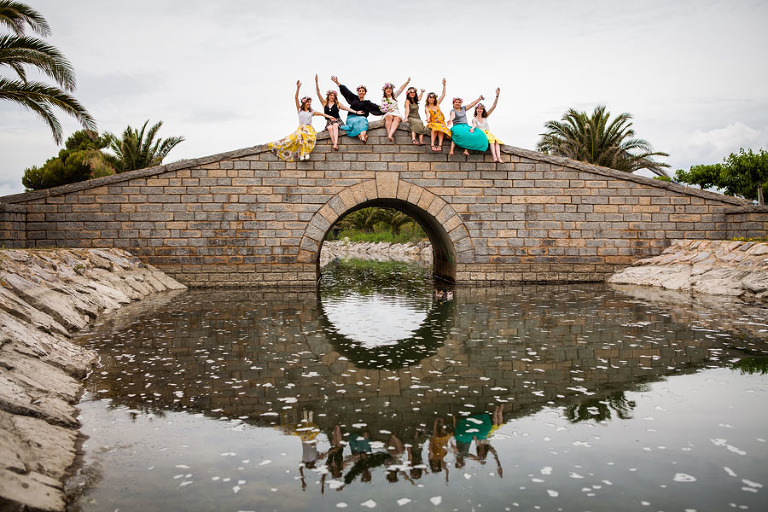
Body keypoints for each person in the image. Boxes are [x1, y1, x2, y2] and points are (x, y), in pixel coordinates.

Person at [268, 80, 334, 162]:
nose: (309, 104)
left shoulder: (311, 111)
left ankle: (306, 153)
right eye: (308, 102)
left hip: (309, 128)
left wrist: (329, 116)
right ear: (305, 103)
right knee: (299, 135)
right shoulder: (300, 110)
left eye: (310, 102)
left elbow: (321, 114)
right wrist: (298, 88)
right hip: (301, 127)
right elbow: (296, 98)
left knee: (306, 136)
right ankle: (302, 154)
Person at [331, 75, 385, 143]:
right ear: (358, 92)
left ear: (365, 93)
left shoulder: (367, 103)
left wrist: (386, 109)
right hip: (351, 118)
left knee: (363, 121)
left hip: (362, 118)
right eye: (360, 91)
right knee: (356, 123)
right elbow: (346, 91)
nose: (361, 92)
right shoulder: (354, 98)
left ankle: (361, 136)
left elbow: (376, 108)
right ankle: (362, 137)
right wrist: (337, 83)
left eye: (363, 91)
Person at [315, 75, 363, 151]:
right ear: (328, 96)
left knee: (335, 125)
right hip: (329, 122)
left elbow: (347, 108)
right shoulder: (324, 103)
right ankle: (335, 145)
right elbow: (318, 93)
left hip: (337, 121)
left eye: (334, 96)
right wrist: (316, 82)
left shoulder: (337, 104)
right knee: (330, 128)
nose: (332, 97)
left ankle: (335, 144)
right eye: (331, 95)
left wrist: (356, 112)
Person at [473, 88, 504, 162]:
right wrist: (472, 129)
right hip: (481, 134)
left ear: (483, 110)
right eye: (478, 109)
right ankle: (494, 157)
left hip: (488, 133)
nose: (479, 110)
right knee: (492, 141)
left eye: (481, 109)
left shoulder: (485, 117)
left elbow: (493, 106)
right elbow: (474, 125)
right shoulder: (474, 119)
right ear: (476, 110)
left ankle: (499, 157)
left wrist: (497, 96)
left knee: (496, 141)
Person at [425, 78, 451, 152]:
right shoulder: (427, 108)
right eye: (430, 98)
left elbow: (443, 94)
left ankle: (439, 145)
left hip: (441, 122)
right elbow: (427, 114)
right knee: (435, 129)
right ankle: (432, 145)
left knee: (440, 128)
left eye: (433, 98)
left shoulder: (437, 104)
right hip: (433, 123)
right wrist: (427, 118)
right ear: (428, 99)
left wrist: (444, 85)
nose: (432, 99)